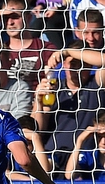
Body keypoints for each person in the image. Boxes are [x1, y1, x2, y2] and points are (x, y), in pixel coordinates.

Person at [32, 41, 105, 175]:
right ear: (64, 65)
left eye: (82, 64)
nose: (76, 69)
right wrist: (39, 102)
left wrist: (66, 51)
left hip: (84, 158)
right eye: (73, 64)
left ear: (90, 66)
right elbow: (37, 129)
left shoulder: (96, 84)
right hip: (53, 156)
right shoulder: (53, 86)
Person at [64, 109, 105, 180]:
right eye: (99, 136)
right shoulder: (89, 156)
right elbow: (69, 175)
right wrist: (80, 140)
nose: (103, 141)